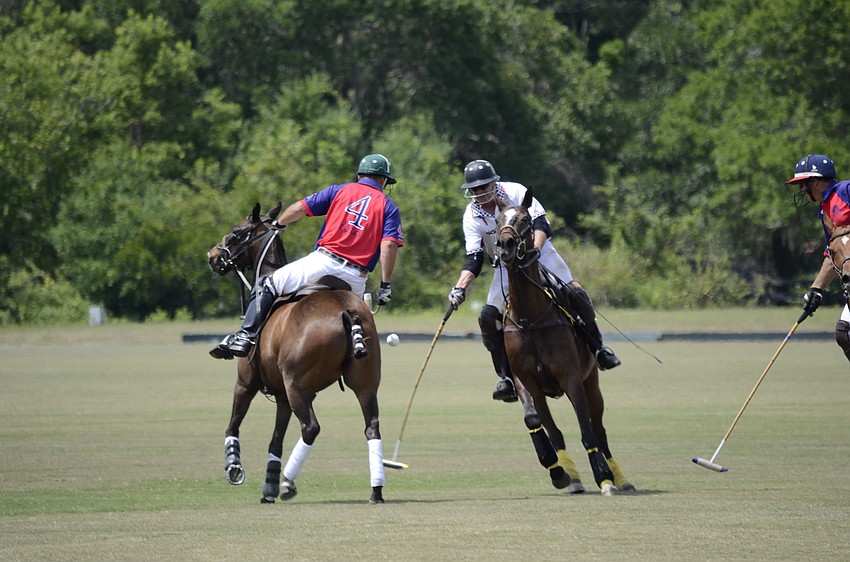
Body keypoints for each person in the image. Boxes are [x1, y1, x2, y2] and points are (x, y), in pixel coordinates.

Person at [447, 159, 620, 402]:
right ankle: (505, 378)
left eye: (483, 187)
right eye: (474, 189)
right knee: (487, 317)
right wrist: (459, 288)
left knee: (575, 294)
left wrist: (534, 251)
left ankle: (599, 349)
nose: (479, 193)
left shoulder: (516, 192)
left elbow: (541, 224)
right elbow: (474, 258)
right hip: (506, 266)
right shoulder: (472, 216)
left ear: (494, 183)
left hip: (541, 253)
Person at [211, 154, 404, 360]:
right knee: (361, 323)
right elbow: (389, 245)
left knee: (267, 284)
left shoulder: (339, 190)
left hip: (323, 263)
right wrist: (385, 285)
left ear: (359, 175)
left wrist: (278, 225)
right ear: (383, 180)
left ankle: (244, 336)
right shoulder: (389, 207)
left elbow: (300, 208)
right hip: (356, 278)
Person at [785, 153, 850, 362]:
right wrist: (816, 290)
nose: (801, 190)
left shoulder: (845, 190)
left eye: (802, 184)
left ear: (814, 181)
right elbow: (833, 253)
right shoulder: (825, 212)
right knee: (844, 334)